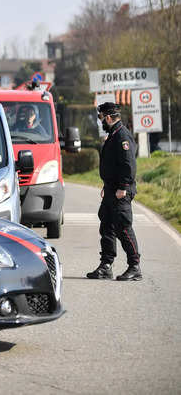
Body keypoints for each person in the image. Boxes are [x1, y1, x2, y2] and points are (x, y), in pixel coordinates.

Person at [86, 102, 142, 281]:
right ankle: (106, 266)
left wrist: (123, 188)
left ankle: (135, 267)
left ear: (108, 118)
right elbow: (113, 165)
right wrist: (107, 186)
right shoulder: (113, 135)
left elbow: (128, 165)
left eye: (102, 118)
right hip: (111, 189)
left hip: (120, 191)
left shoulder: (122, 136)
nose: (101, 122)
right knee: (107, 227)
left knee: (123, 228)